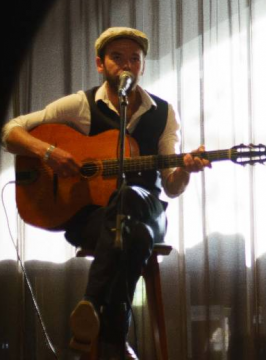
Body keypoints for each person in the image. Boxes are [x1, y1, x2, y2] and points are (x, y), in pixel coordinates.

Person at [2, 27, 211, 359]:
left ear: (142, 65)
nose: (126, 64)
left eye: (134, 58)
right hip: (90, 217)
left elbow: (171, 186)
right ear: (100, 64)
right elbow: (10, 131)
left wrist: (185, 168)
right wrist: (48, 153)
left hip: (149, 210)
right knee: (136, 236)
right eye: (117, 58)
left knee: (128, 197)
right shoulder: (81, 105)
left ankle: (91, 302)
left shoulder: (163, 113)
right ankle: (114, 338)